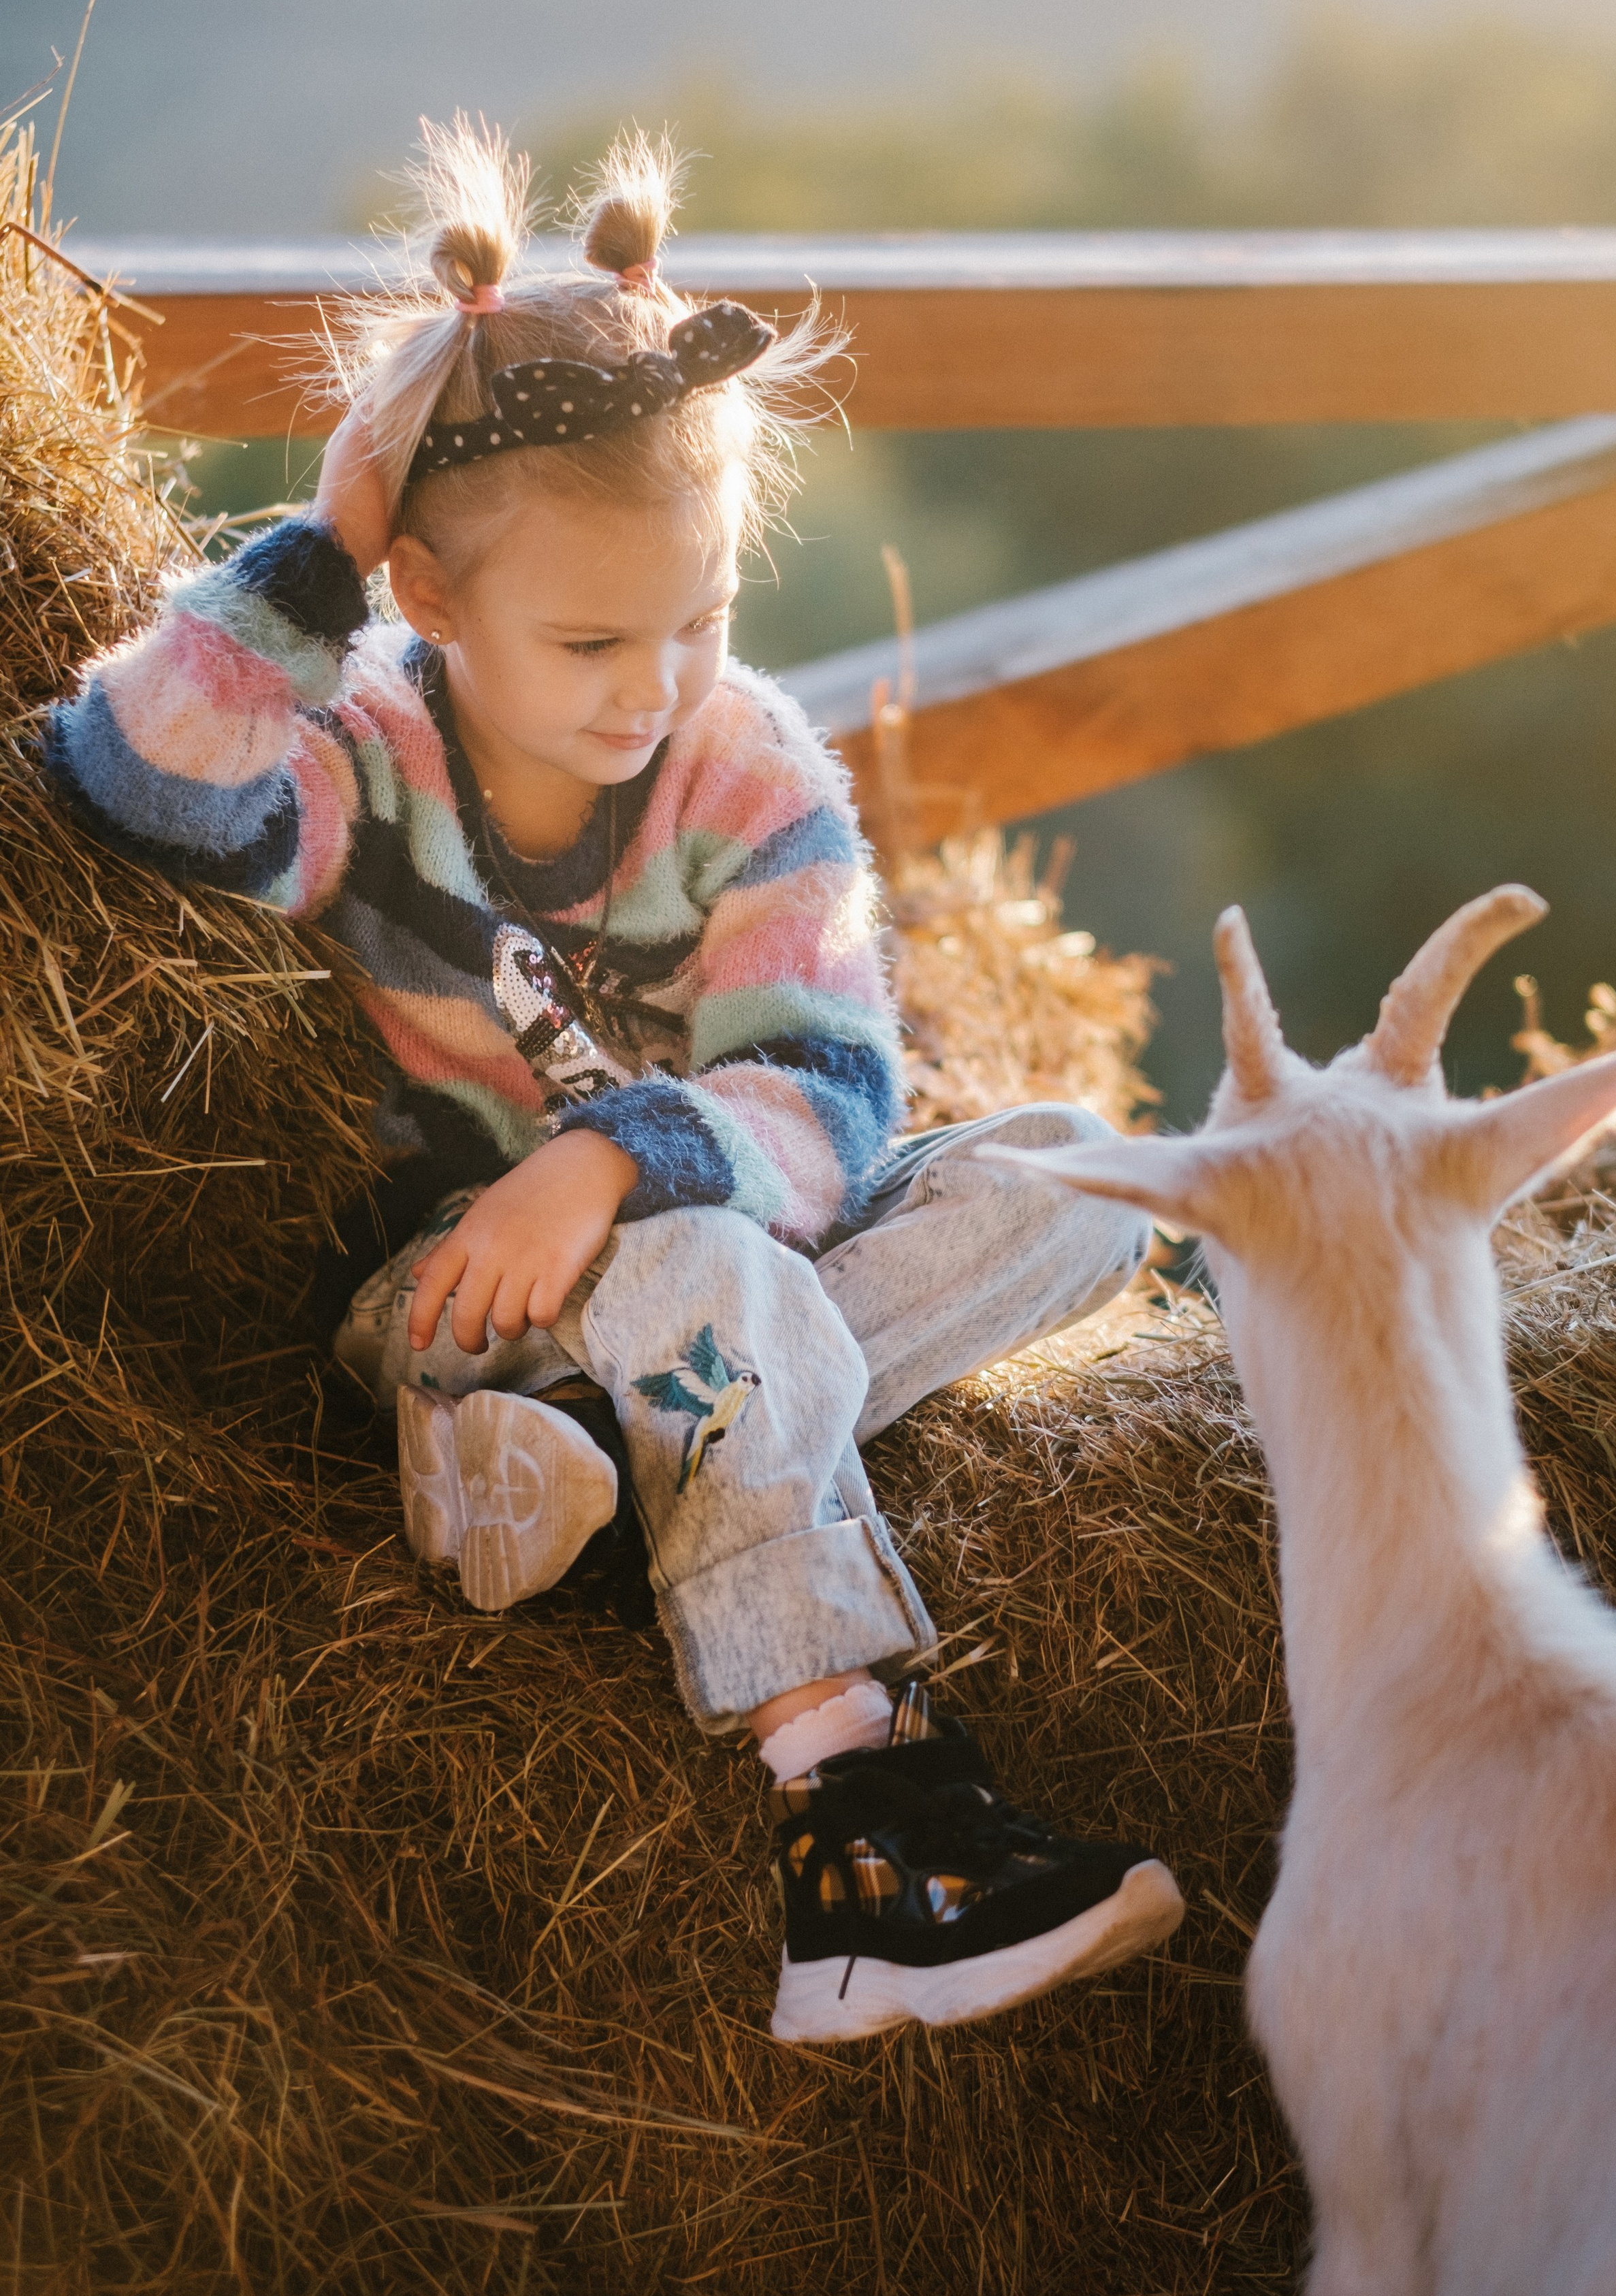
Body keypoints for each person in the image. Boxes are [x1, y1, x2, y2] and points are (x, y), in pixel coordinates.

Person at [42, 118, 1182, 2040]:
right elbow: (136, 778)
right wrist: (315, 548)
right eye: (589, 639)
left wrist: (606, 1160)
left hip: (669, 1265)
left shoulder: (752, 778)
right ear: (427, 591)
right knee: (704, 1273)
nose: (654, 684)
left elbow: (823, 1097)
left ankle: (601, 1468)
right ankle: (861, 1837)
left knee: (1080, 1172)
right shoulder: (368, 761)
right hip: (454, 1306)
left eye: (701, 618)